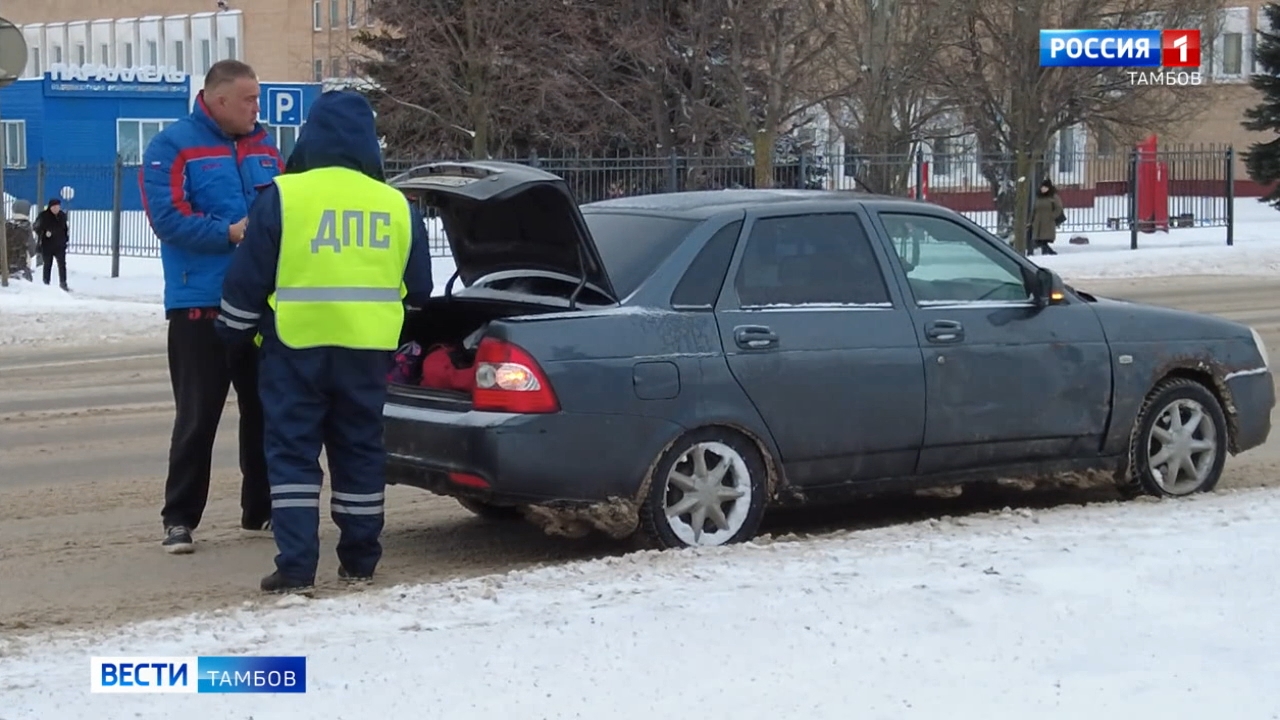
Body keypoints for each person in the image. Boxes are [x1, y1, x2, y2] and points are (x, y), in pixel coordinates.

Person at [214, 89, 434, 593]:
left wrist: (232, 332)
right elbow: (417, 291)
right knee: (359, 451)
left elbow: (247, 281)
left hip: (296, 349)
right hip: (366, 353)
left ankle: (296, 567)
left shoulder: (284, 196)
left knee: (292, 455)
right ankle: (359, 561)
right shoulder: (397, 205)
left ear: (311, 135)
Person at [140, 59, 284, 554]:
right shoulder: (171, 147)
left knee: (264, 410)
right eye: (249, 99)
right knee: (197, 417)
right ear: (218, 100)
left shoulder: (265, 147)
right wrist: (229, 233)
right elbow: (167, 218)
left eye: (258, 99)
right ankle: (179, 519)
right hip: (199, 304)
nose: (256, 108)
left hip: (259, 303)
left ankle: (259, 510)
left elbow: (285, 207)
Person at [33, 199, 70, 290]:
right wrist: (44, 232)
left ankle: (63, 283)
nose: (56, 209)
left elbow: (65, 228)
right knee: (47, 264)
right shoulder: (43, 216)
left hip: (60, 245)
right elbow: (36, 227)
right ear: (50, 207)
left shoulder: (62, 216)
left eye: (58, 206)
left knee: (62, 265)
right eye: (54, 207)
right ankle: (46, 283)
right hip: (47, 245)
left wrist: (65, 239)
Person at [1030, 178, 1064, 256]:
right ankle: (1049, 252)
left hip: (1048, 222)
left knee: (1044, 239)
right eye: (1042, 187)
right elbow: (1034, 209)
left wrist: (1052, 216)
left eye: (1045, 187)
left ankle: (1048, 253)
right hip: (1038, 221)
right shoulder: (1039, 196)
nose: (1043, 189)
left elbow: (1059, 208)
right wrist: (1032, 219)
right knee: (1038, 239)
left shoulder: (1053, 197)